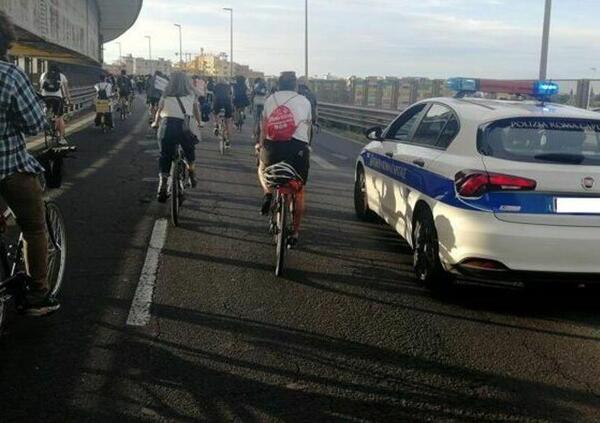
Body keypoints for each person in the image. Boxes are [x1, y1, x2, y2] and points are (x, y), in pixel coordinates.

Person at [0, 11, 60, 315]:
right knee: (34, 227)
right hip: (8, 167)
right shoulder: (10, 75)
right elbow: (35, 123)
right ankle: (38, 294)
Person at [257, 71, 312, 245]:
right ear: (295, 85)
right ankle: (295, 233)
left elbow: (264, 128)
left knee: (261, 168)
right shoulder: (305, 101)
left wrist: (260, 146)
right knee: (299, 189)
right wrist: (307, 145)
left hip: (273, 148)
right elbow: (308, 128)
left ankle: (267, 193)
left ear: (279, 84)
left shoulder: (270, 100)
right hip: (298, 149)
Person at [151, 72, 202, 202]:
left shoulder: (166, 95)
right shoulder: (191, 95)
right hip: (185, 128)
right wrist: (199, 122)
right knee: (189, 152)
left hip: (167, 126)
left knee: (165, 155)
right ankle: (191, 173)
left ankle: (162, 184)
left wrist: (155, 123)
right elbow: (196, 111)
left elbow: (158, 111)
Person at [40, 63, 71, 146]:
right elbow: (66, 90)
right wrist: (69, 100)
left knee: (46, 111)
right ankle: (61, 138)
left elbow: (41, 88)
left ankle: (47, 122)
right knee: (60, 117)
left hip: (45, 98)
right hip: (57, 98)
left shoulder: (43, 75)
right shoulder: (62, 76)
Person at [212, 79, 233, 144]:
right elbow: (231, 95)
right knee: (228, 122)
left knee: (215, 113)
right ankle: (228, 141)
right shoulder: (229, 86)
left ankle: (216, 125)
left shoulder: (216, 86)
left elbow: (214, 95)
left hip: (218, 102)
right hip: (227, 103)